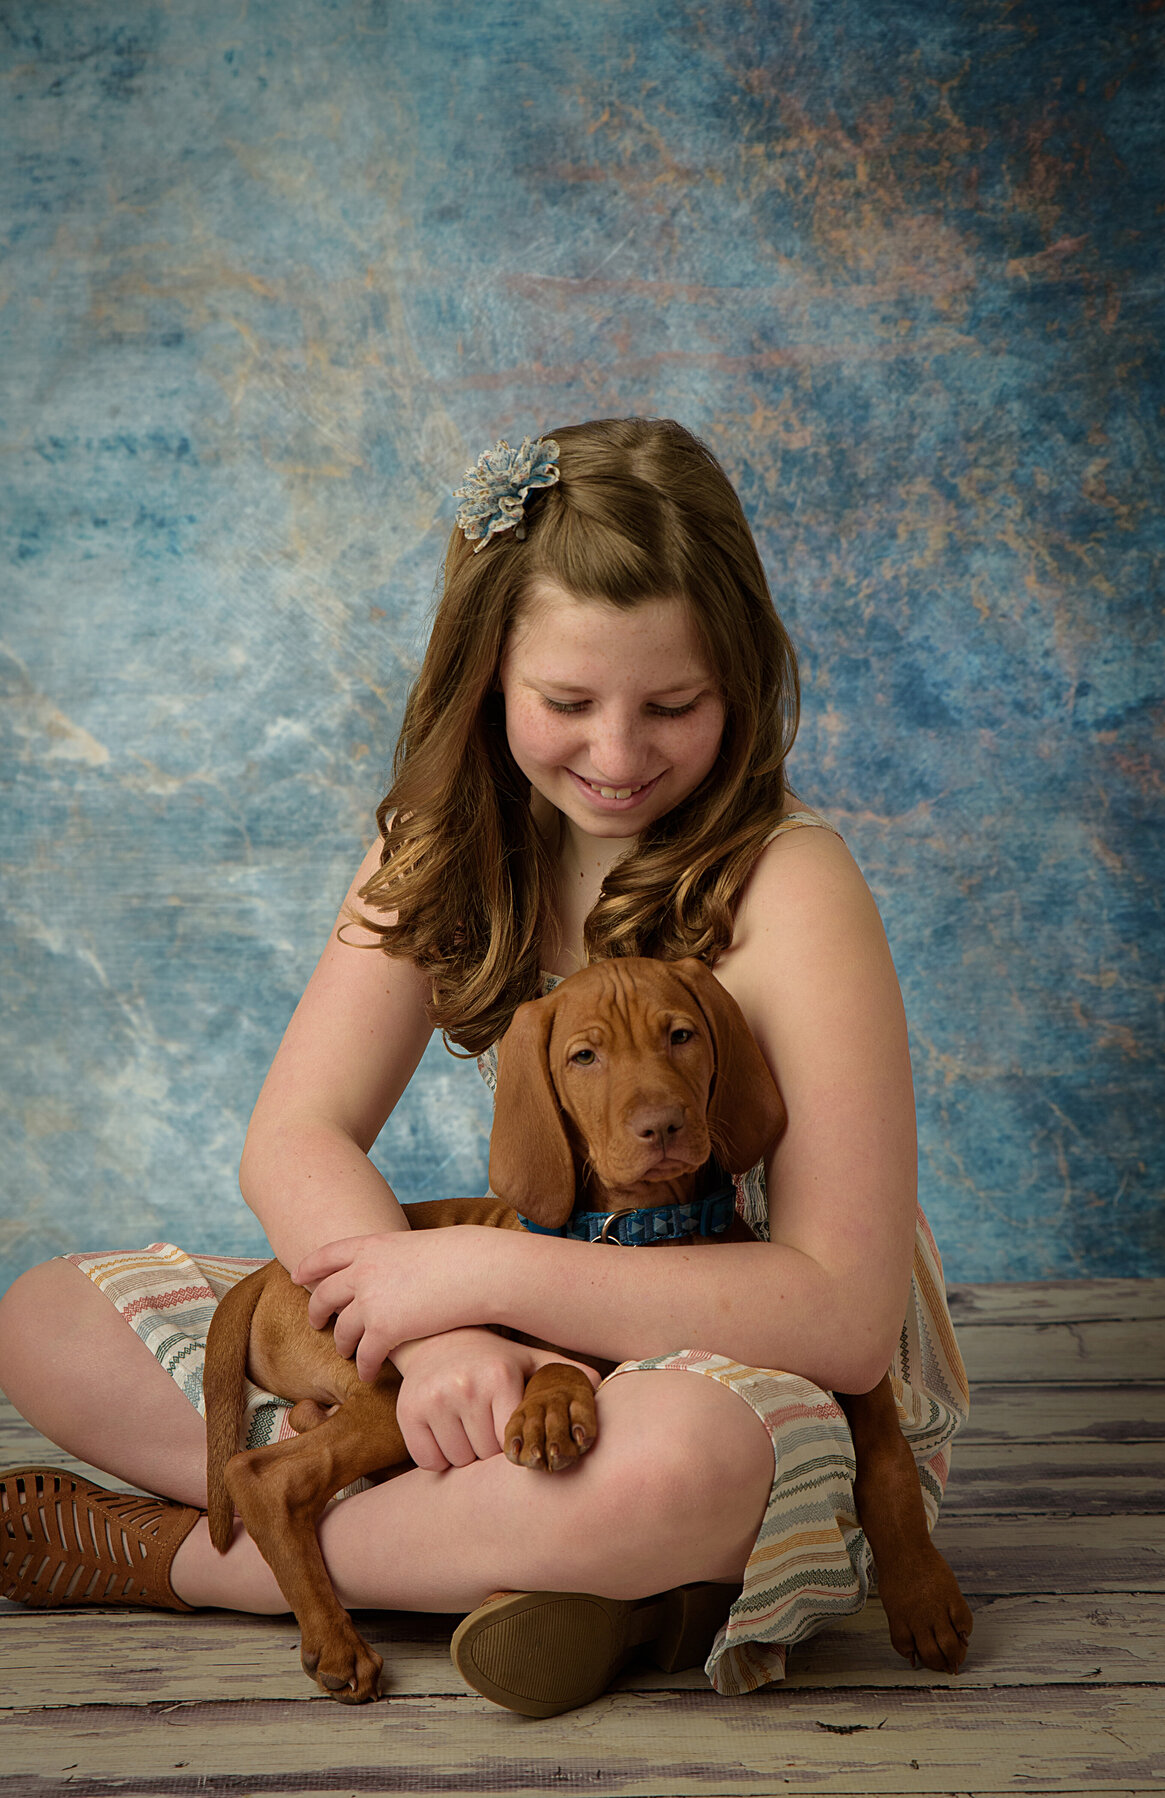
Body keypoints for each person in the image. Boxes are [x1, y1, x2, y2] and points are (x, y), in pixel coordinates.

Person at [0, 418, 968, 1710]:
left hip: (761, 1369)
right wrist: (442, 1331)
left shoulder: (794, 882)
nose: (618, 756)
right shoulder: (443, 848)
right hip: (518, 1347)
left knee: (670, 1465)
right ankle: (575, 1573)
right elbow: (295, 1135)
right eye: (567, 702)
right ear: (487, 673)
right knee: (44, 1322)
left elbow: (845, 1318)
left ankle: (203, 1560)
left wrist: (483, 1271)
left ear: (738, 681)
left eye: (672, 705)